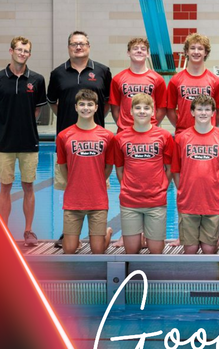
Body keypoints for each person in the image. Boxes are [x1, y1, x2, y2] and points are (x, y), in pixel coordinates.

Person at [48, 30, 113, 191]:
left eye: (82, 44)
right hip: (67, 142)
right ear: (68, 47)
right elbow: (52, 102)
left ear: (88, 46)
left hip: (96, 143)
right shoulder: (57, 73)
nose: (78, 47)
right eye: (74, 44)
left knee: (97, 189)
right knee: (68, 191)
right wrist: (66, 116)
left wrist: (94, 118)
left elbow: (107, 102)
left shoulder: (103, 71)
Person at [171, 94, 219, 254]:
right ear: (192, 112)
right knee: (190, 250)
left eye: (207, 109)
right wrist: (182, 190)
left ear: (213, 112)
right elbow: (176, 170)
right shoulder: (181, 138)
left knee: (209, 249)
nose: (203, 113)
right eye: (199, 109)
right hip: (188, 202)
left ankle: (213, 240)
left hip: (213, 202)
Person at [113, 93, 173, 254]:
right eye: (138, 108)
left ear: (153, 112)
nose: (142, 111)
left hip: (156, 200)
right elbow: (119, 169)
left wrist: (162, 187)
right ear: (131, 111)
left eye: (146, 108)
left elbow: (169, 168)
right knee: (131, 250)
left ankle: (148, 235)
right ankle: (136, 236)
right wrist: (127, 187)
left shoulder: (164, 136)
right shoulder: (120, 138)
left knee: (156, 250)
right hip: (130, 201)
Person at [55, 89, 114, 254]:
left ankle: (107, 233)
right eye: (82, 104)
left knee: (97, 250)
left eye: (90, 104)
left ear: (96, 108)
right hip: (73, 201)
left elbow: (109, 166)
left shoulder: (107, 136)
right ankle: (74, 238)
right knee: (69, 249)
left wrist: (97, 181)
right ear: (76, 107)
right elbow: (62, 165)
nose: (86, 108)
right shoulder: (64, 136)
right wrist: (73, 183)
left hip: (98, 200)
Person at [0, 36, 47, 246]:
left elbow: (37, 110)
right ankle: (4, 233)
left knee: (28, 186)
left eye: (26, 50)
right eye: (19, 49)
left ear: (29, 54)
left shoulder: (37, 80)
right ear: (11, 51)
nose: (22, 53)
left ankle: (28, 231)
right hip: (4, 143)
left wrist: (24, 124)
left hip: (29, 141)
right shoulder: (0, 78)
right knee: (5, 187)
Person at [166, 33, 219, 134]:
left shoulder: (216, 81)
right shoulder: (175, 80)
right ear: (186, 51)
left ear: (206, 52)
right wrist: (180, 127)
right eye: (192, 48)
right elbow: (169, 110)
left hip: (207, 135)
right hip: (183, 134)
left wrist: (208, 127)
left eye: (200, 48)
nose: (196, 52)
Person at [108, 37, 167, 132]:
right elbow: (115, 108)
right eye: (135, 48)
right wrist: (123, 126)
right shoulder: (118, 79)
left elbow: (162, 108)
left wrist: (152, 126)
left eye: (143, 49)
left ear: (148, 54)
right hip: (125, 131)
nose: (139, 51)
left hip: (149, 131)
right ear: (128, 53)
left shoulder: (158, 79)